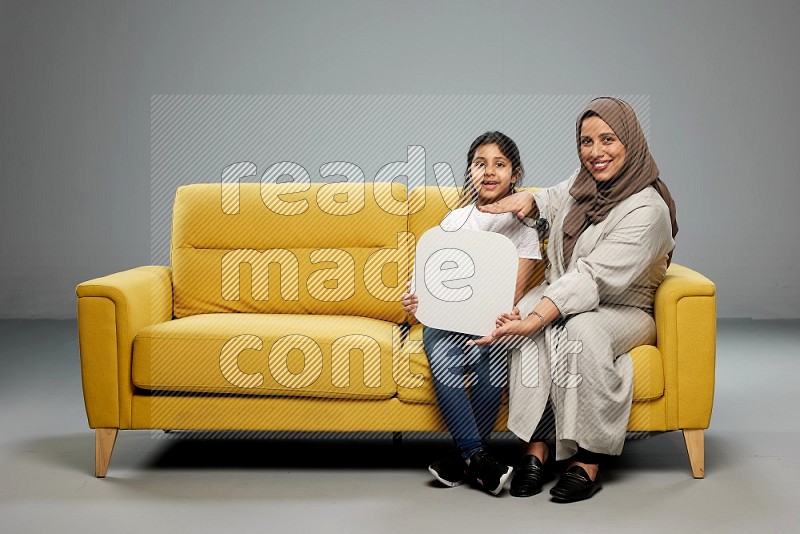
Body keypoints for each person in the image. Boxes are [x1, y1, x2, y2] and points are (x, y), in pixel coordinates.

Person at [473, 97, 678, 502]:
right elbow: (554, 198)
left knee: (578, 329)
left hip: (621, 307)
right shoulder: (585, 182)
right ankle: (537, 445)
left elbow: (592, 277)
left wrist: (537, 318)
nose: (595, 152)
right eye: (586, 141)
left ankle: (588, 458)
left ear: (631, 142)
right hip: (567, 289)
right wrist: (526, 201)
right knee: (528, 319)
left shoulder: (647, 210)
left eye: (608, 139)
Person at [402, 131, 541, 496]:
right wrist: (416, 302)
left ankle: (463, 459)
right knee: (436, 340)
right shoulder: (455, 220)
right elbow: (434, 281)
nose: (489, 172)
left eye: (500, 164)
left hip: (490, 318)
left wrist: (486, 321)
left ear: (516, 173)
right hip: (448, 319)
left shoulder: (523, 226)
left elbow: (515, 292)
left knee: (487, 351)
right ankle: (479, 458)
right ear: (469, 173)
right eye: (480, 164)